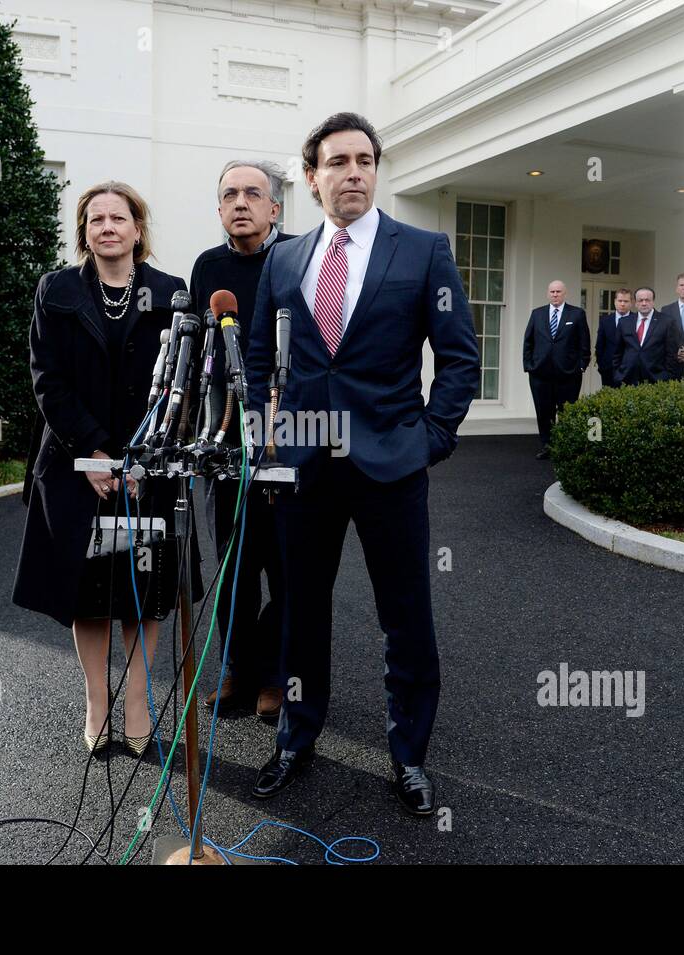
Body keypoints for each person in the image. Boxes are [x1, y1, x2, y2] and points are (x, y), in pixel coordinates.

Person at [245, 112, 479, 816]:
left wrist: (429, 437)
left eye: (365, 159)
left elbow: (461, 357)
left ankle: (408, 753)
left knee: (406, 614)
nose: (353, 171)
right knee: (300, 610)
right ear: (311, 176)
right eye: (337, 161)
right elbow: (259, 358)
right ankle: (296, 733)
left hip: (391, 463)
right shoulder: (284, 259)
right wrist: (267, 437)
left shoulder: (423, 251)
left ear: (376, 170)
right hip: (306, 465)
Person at [12, 181, 198, 758]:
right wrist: (92, 450)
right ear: (84, 232)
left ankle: (137, 700)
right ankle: (98, 700)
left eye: (120, 218)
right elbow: (48, 379)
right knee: (87, 591)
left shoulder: (171, 292)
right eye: (97, 220)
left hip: (151, 466)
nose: (109, 227)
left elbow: (181, 383)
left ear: (138, 229)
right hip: (74, 464)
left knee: (143, 587)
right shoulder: (58, 290)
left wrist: (147, 454)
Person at [188, 159, 294, 720]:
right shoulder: (207, 268)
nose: (241, 203)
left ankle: (277, 675)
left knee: (284, 565)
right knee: (233, 563)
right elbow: (201, 358)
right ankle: (237, 668)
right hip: (227, 440)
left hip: (288, 436)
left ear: (275, 207)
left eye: (253, 193)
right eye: (229, 194)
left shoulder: (299, 256)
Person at [523, 280, 590, 458]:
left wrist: (582, 366)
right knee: (544, 411)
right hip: (540, 373)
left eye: (558, 291)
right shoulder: (537, 314)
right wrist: (529, 366)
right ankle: (548, 446)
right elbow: (528, 342)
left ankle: (566, 446)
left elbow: (584, 343)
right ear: (547, 293)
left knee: (567, 412)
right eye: (552, 291)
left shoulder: (576, 314)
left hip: (568, 374)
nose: (555, 294)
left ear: (565, 293)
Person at [613, 286, 680, 385]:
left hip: (656, 379)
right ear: (635, 303)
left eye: (647, 300)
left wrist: (666, 376)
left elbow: (671, 354)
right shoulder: (624, 322)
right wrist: (618, 374)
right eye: (640, 300)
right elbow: (617, 352)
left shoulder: (667, 322)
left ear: (653, 302)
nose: (644, 303)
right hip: (627, 379)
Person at [595, 288, 633, 389]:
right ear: (615, 301)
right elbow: (599, 346)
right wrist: (602, 367)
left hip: (631, 370)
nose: (622, 304)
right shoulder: (605, 320)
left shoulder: (637, 320)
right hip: (608, 369)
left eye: (626, 301)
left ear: (631, 303)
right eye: (620, 301)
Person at [661, 272, 684, 381]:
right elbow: (663, 337)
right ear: (676, 288)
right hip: (672, 365)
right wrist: (675, 353)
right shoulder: (666, 310)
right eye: (681, 285)